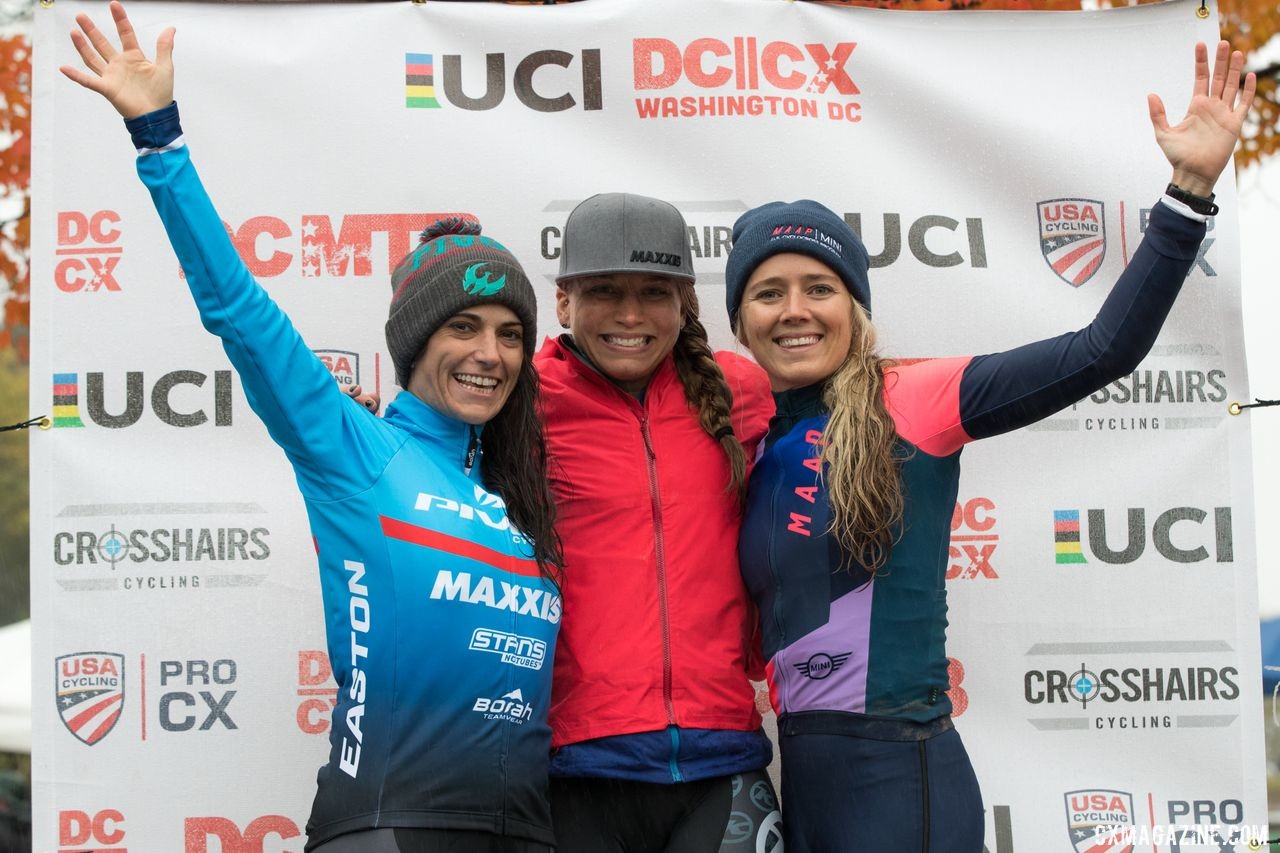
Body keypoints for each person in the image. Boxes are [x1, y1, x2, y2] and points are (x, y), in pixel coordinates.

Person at [722, 41, 1255, 853]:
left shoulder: (914, 397)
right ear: (741, 319)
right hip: (803, 781)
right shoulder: (749, 438)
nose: (794, 310)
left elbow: (1101, 351)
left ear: (854, 306)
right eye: (768, 291)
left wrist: (1187, 194)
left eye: (819, 287)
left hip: (902, 784)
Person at [62, 5, 563, 852]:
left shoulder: (512, 501)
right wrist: (160, 141)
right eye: (464, 329)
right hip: (391, 826)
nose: (491, 354)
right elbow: (240, 312)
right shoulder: (357, 451)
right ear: (414, 345)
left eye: (510, 333)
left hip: (524, 833)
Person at [536, 194, 780, 852]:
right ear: (563, 301)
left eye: (654, 291)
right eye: (604, 290)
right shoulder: (524, 400)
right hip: (574, 766)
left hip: (722, 757)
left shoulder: (740, 392)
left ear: (684, 304)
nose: (630, 314)